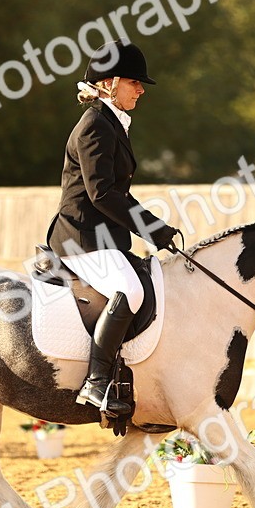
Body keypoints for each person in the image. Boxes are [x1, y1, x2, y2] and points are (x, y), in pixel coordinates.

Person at [45, 39, 179, 415]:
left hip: (103, 237)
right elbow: (103, 194)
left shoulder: (111, 123)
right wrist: (153, 229)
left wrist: (156, 230)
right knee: (129, 290)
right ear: (109, 83)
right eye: (134, 82)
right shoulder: (95, 126)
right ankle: (97, 381)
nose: (141, 89)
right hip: (81, 236)